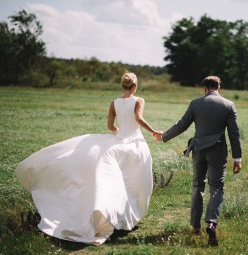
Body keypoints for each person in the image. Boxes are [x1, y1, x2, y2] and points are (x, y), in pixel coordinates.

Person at [16, 72, 158, 245]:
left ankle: (117, 214)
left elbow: (109, 126)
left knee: (123, 180)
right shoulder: (139, 100)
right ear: (135, 86)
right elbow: (138, 118)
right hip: (135, 143)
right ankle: (128, 213)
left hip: (119, 140)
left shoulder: (114, 103)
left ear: (123, 86)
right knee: (135, 179)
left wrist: (119, 134)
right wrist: (153, 132)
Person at [154, 76, 242, 246]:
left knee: (197, 186)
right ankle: (211, 223)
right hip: (217, 150)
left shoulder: (195, 103)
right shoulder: (228, 105)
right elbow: (234, 134)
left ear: (204, 88)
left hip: (199, 150)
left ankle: (195, 226)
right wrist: (237, 158)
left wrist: (163, 135)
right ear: (219, 87)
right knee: (216, 187)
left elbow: (182, 125)